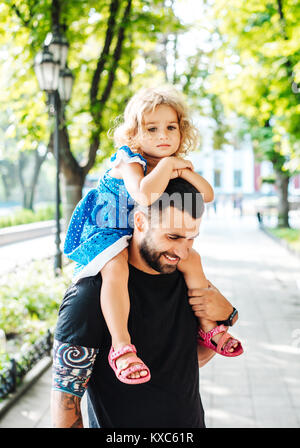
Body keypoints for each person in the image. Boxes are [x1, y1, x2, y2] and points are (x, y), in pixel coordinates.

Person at [63, 85, 242, 385]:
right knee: (116, 269)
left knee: (192, 260)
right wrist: (172, 166)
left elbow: (206, 194)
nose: (163, 136)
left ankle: (210, 328)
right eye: (152, 128)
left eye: (171, 127)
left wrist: (180, 169)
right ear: (135, 134)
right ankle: (121, 346)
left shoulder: (169, 161)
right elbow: (144, 194)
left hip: (137, 231)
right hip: (107, 228)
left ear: (181, 131)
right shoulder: (129, 159)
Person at [51, 178, 240, 428]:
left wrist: (227, 317)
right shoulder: (90, 295)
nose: (182, 252)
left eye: (191, 239)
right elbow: (66, 401)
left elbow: (193, 360)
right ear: (140, 222)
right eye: (173, 236)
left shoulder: (187, 281)